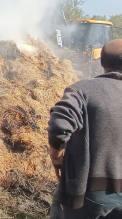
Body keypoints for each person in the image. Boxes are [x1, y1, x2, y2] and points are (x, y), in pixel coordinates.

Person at [48, 39, 122, 219]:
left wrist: (56, 156)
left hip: (91, 195)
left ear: (101, 62)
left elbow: (60, 124)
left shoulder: (83, 89)